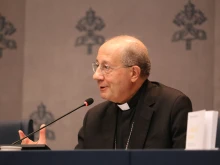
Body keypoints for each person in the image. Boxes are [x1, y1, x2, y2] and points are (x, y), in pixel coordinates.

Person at [19, 35, 192, 149]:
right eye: (97, 66)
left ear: (133, 73)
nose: (96, 76)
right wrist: (41, 157)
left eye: (106, 67)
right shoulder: (95, 117)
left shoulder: (173, 106)